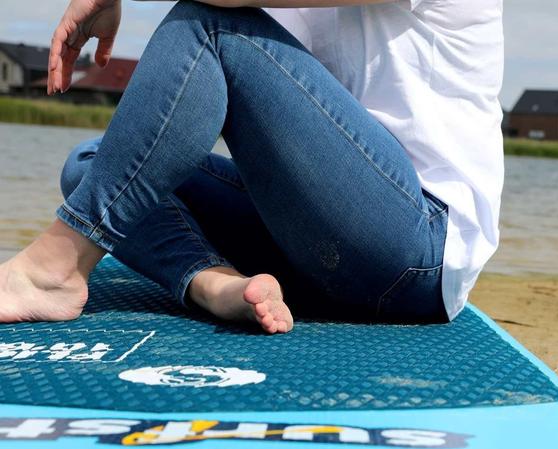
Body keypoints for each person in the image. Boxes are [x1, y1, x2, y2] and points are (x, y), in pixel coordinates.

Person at [0, 0, 504, 334]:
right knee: (92, 167)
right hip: (314, 249)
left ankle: (54, 270)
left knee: (210, 22)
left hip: (416, 247)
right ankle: (214, 283)